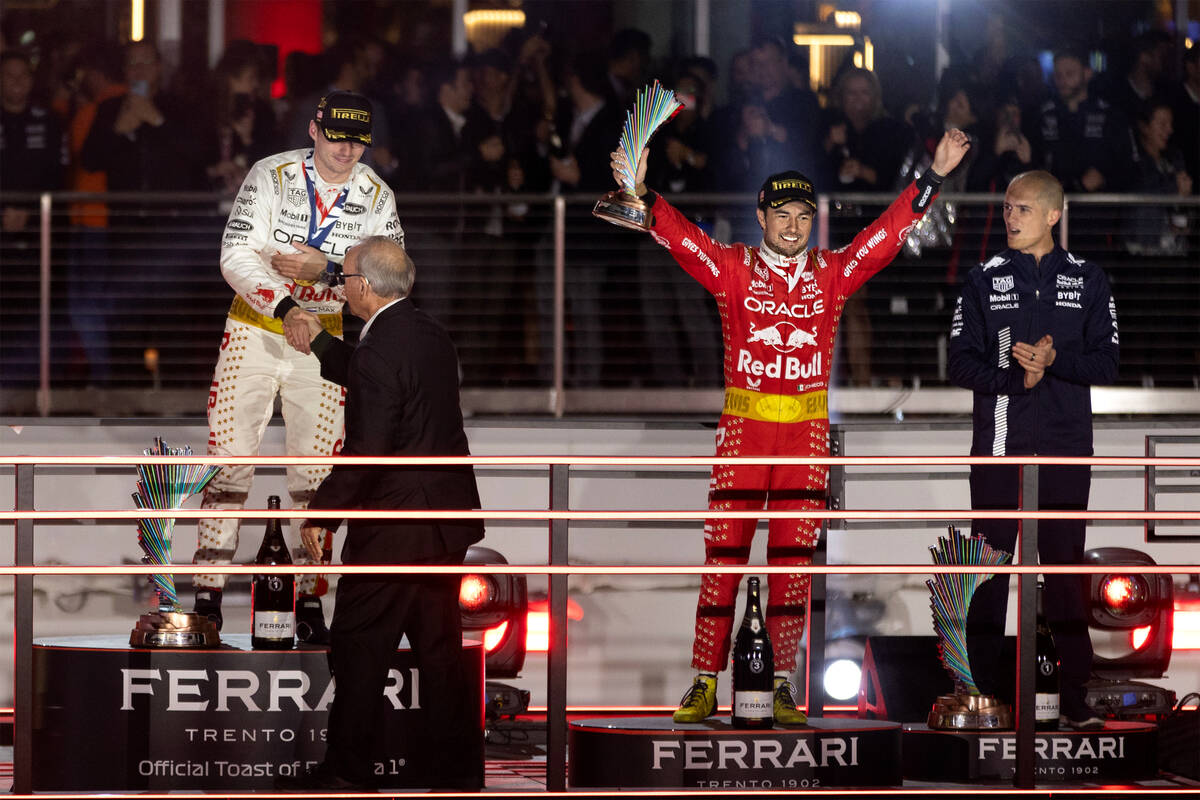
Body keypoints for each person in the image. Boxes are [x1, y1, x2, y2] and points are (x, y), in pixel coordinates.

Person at [611, 129, 970, 725]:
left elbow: (882, 241)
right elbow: (682, 239)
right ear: (761, 216)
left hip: (804, 439)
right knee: (721, 559)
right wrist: (643, 194)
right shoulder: (732, 267)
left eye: (804, 215)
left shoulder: (830, 273)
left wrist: (930, 178)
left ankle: (780, 682)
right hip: (742, 433)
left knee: (792, 565)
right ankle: (704, 679)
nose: (794, 225)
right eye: (782, 214)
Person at [191, 91, 403, 640]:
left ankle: (310, 602)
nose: (347, 148)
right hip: (254, 327)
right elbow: (234, 254)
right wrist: (287, 307)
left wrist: (329, 269)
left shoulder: (378, 195)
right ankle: (207, 598)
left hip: (326, 336)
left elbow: (394, 276)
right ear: (314, 129)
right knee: (229, 464)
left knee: (316, 476)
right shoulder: (270, 173)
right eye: (337, 135)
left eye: (358, 139)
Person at [277, 236, 484, 791]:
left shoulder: (378, 350)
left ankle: (348, 772)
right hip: (444, 523)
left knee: (359, 647)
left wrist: (320, 515)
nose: (341, 286)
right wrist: (322, 345)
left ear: (364, 287)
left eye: (343, 278)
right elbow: (386, 381)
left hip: (395, 527)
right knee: (439, 652)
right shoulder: (429, 336)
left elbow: (368, 450)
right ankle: (456, 773)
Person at [948, 170, 1119, 731]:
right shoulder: (982, 278)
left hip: (1067, 449)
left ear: (1052, 215)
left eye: (1022, 209)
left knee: (1064, 571)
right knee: (989, 573)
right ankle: (983, 698)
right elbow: (959, 363)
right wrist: (1011, 379)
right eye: (1006, 209)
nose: (1010, 219)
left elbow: (1107, 362)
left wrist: (1054, 363)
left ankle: (1073, 697)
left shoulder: (1090, 279)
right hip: (998, 447)